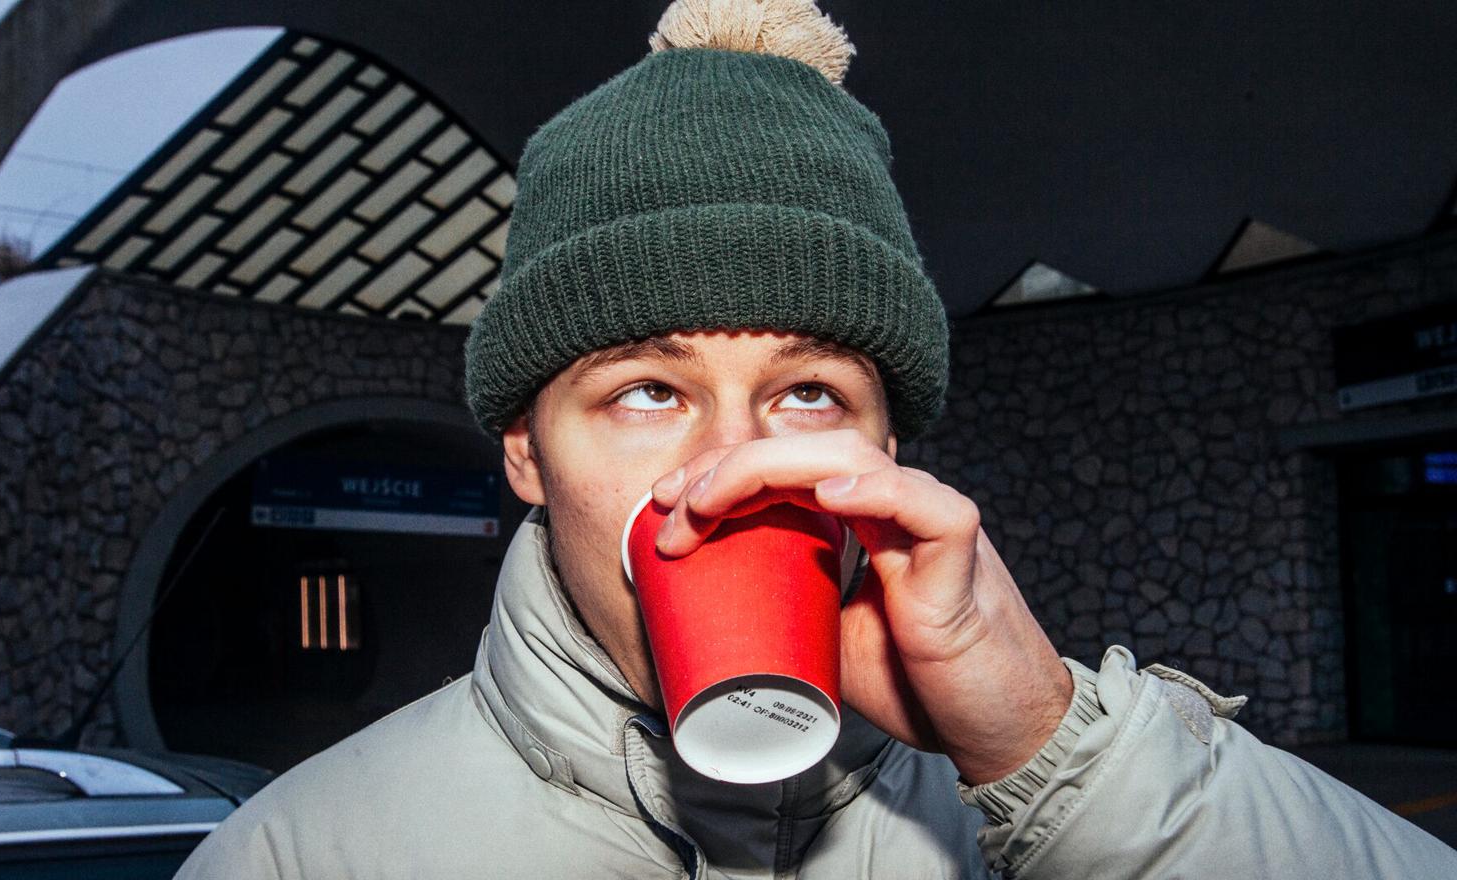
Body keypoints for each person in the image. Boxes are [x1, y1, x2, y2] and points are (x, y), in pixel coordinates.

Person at [174, 1, 1457, 877]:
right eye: (645, 393)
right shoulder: (296, 853)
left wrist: (1054, 754)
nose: (734, 475)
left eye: (807, 396)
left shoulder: (1019, 800)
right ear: (524, 450)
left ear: (892, 450)